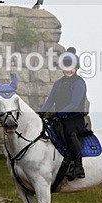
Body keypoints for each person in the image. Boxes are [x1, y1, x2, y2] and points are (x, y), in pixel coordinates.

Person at [39, 47, 89, 180]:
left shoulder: (79, 83)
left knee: (69, 134)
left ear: (76, 67)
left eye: (71, 66)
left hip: (74, 119)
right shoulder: (58, 83)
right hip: (60, 118)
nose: (68, 69)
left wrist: (57, 114)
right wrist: (40, 113)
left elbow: (74, 104)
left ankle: (79, 167)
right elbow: (50, 101)